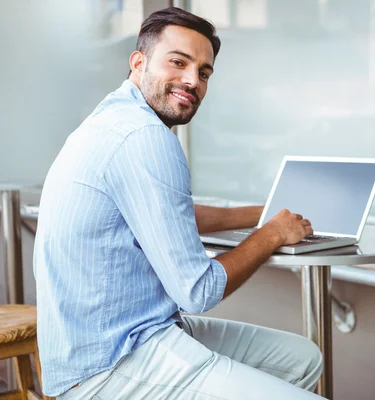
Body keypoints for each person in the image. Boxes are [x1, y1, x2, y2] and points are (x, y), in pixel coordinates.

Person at [33, 7, 324, 400]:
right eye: (178, 62)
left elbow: (169, 213)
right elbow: (197, 291)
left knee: (301, 359)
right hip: (113, 361)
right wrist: (272, 234)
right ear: (138, 62)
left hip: (115, 338)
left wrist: (265, 212)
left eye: (204, 72)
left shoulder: (113, 119)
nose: (192, 80)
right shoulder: (144, 137)